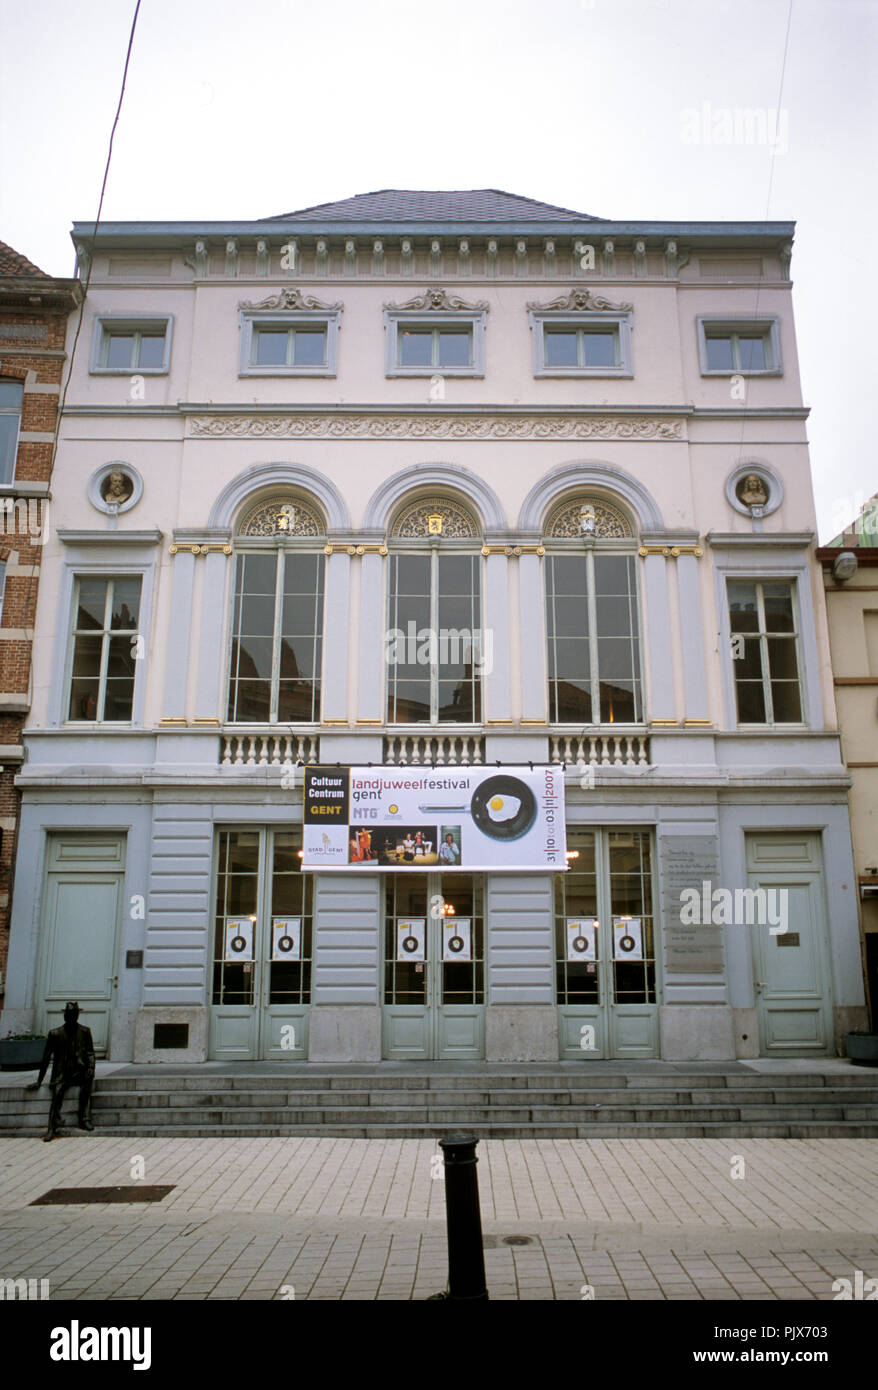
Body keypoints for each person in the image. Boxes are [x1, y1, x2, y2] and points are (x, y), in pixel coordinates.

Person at [27, 1001, 95, 1141]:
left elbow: (90, 1053)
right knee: (57, 1094)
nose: (70, 1017)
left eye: (73, 1014)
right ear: (64, 1015)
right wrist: (39, 1081)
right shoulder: (55, 1034)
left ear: (77, 1016)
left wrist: (90, 1067)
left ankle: (84, 1118)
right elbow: (46, 1059)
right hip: (62, 1074)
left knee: (87, 1083)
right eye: (68, 1014)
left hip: (78, 1071)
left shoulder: (85, 1031)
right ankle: (52, 1127)